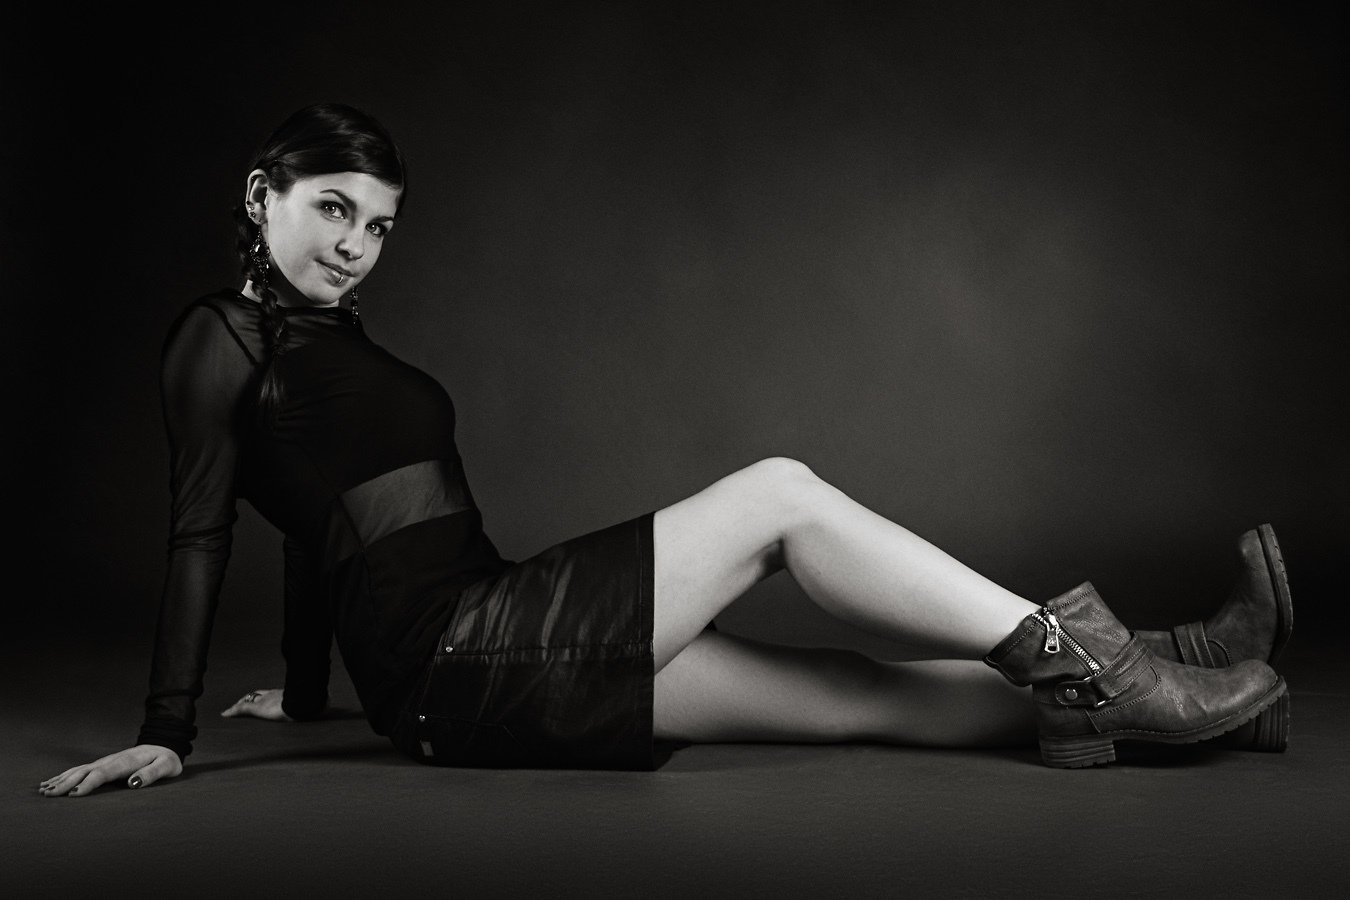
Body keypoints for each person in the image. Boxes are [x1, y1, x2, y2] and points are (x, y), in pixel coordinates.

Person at [40, 104, 1293, 797]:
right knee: (782, 496)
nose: (356, 245)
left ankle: (1187, 689)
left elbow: (316, 525)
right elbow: (205, 526)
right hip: (461, 660)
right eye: (332, 209)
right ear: (259, 193)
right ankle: (1118, 665)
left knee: (861, 697)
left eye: (378, 225)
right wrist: (171, 729)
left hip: (489, 641)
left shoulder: (332, 341)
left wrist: (311, 691)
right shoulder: (217, 339)